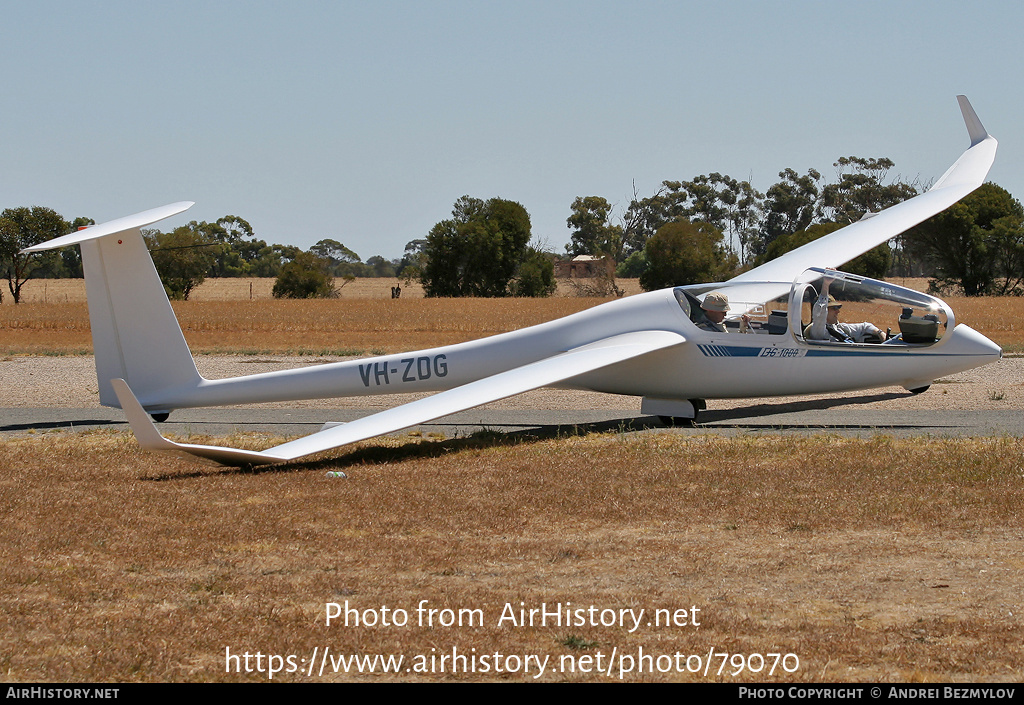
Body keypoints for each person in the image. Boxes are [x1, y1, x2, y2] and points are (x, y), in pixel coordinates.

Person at [805, 278, 886, 343]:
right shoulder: (818, 331)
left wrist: (880, 333)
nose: (838, 311)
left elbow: (865, 326)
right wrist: (826, 284)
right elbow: (820, 311)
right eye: (834, 308)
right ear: (826, 311)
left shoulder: (839, 328)